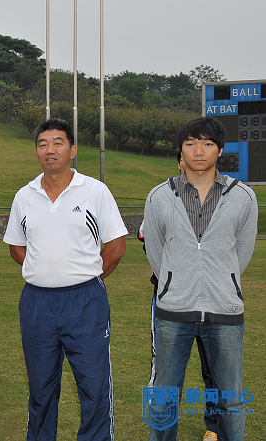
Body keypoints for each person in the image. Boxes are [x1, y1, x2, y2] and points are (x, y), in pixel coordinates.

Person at [3, 118, 127, 441]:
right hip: (37, 303)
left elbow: (116, 247)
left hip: (85, 302)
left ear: (72, 150)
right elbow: (17, 248)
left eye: (58, 143)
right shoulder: (24, 196)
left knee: (94, 387)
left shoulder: (94, 191)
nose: (50, 150)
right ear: (36, 151)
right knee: (40, 389)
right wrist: (45, 269)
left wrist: (83, 276)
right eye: (43, 144)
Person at [143, 117, 258, 441]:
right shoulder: (159, 196)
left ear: (220, 150)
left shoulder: (243, 197)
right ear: (181, 150)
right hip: (173, 313)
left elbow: (242, 252)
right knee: (164, 399)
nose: (198, 150)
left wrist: (223, 280)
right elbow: (156, 251)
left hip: (225, 312)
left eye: (207, 143)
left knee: (230, 400)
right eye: (191, 143)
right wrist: (174, 282)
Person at [139, 149, 218, 441]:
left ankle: (215, 426)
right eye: (186, 155)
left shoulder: (220, 200)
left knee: (215, 369)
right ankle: (162, 430)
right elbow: (150, 243)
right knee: (166, 374)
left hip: (213, 300)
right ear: (179, 163)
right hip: (171, 302)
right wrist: (172, 280)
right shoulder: (162, 199)